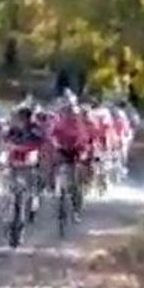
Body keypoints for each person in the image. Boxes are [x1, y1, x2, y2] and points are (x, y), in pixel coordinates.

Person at [50, 91, 94, 220]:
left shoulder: (81, 117)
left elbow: (87, 135)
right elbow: (53, 134)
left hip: (79, 150)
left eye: (71, 108)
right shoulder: (61, 119)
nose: (69, 112)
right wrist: (56, 144)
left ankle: (76, 209)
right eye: (67, 109)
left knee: (76, 180)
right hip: (64, 148)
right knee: (56, 164)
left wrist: (85, 148)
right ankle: (55, 187)